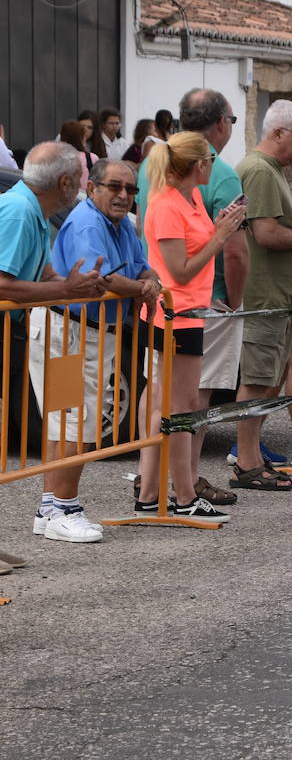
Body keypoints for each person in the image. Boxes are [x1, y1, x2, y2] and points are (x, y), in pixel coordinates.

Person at [30, 160, 161, 537]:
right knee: (75, 424)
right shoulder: (88, 222)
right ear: (93, 188)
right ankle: (64, 510)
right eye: (115, 187)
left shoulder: (121, 224)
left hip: (84, 330)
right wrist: (143, 288)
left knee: (66, 423)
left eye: (131, 190)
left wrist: (148, 280)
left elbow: (141, 267)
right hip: (71, 330)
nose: (123, 195)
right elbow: (101, 279)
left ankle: (50, 509)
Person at [2, 143, 111, 550]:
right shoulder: (19, 210)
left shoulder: (30, 210)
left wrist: (73, 284)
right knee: (68, 418)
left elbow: (41, 270)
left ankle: (53, 508)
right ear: (65, 182)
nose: (84, 185)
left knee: (61, 417)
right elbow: (1, 280)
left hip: (30, 330)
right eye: (83, 177)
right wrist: (65, 287)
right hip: (31, 331)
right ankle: (61, 508)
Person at [136, 132, 244, 520]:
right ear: (199, 165)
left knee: (168, 406)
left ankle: (150, 493)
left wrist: (216, 231)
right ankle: (182, 497)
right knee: (179, 410)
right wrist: (221, 236)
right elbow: (179, 272)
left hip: (189, 313)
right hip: (175, 315)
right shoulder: (166, 204)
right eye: (211, 161)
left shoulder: (192, 197)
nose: (214, 167)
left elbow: (195, 252)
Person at [231, 100, 292, 488]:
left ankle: (252, 457)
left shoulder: (267, 170)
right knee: (257, 381)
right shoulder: (258, 170)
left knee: (267, 381)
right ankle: (246, 462)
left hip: (276, 297)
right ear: (277, 134)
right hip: (263, 297)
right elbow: (267, 233)